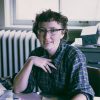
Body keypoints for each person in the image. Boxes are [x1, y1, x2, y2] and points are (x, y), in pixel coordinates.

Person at [13, 9, 94, 100]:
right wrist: (30, 61)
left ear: (62, 33)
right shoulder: (36, 54)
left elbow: (82, 93)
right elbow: (18, 89)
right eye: (42, 30)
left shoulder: (74, 55)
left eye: (53, 30)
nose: (46, 36)